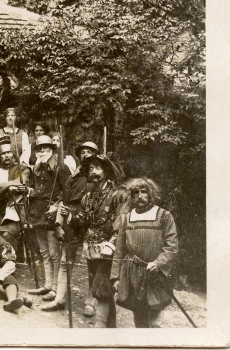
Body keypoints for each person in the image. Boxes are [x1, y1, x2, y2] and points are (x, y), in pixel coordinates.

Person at [56, 155, 127, 326]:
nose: (93, 171)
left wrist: (112, 244)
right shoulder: (88, 196)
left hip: (109, 249)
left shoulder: (118, 195)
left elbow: (121, 223)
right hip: (91, 249)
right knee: (99, 290)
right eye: (90, 169)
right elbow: (82, 221)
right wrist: (69, 216)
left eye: (97, 168)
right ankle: (110, 328)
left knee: (102, 288)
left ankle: (104, 327)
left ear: (106, 171)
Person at [111, 177, 178, 328]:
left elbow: (171, 246)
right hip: (133, 273)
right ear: (131, 196)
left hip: (155, 274)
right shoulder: (127, 218)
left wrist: (158, 263)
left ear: (151, 194)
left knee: (155, 319)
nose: (139, 196)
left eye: (143, 192)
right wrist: (115, 277)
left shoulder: (164, 216)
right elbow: (119, 250)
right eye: (135, 193)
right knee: (139, 317)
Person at [43, 140, 100, 315]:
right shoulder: (74, 176)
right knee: (66, 261)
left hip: (93, 219)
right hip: (72, 218)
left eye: (89, 151)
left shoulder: (101, 174)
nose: (85, 155)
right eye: (82, 152)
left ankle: (91, 301)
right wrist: (59, 223)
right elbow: (64, 199)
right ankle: (59, 299)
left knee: (93, 262)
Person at [26, 134, 69, 300]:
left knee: (54, 252)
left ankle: (56, 289)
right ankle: (47, 285)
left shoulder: (61, 167)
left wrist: (56, 206)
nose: (42, 151)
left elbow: (67, 191)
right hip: (38, 211)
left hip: (52, 212)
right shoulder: (38, 167)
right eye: (39, 148)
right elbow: (36, 189)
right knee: (44, 251)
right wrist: (28, 191)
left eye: (46, 148)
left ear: (52, 149)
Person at [0, 136, 30, 251]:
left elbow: (21, 182)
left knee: (7, 234)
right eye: (3, 154)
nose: (6, 156)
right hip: (3, 210)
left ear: (14, 154)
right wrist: (9, 186)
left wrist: (5, 185)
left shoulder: (22, 169)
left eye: (9, 152)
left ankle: (11, 258)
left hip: (19, 211)